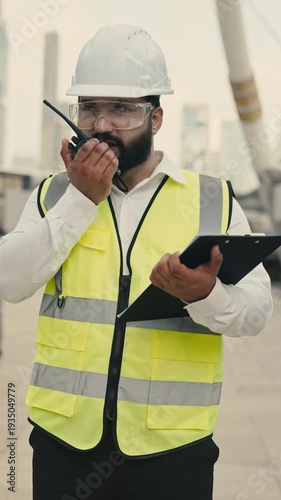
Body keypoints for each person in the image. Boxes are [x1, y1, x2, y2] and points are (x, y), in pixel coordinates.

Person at [0, 23, 273, 500]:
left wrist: (205, 294)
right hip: (64, 447)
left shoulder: (213, 199)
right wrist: (81, 200)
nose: (102, 124)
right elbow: (9, 280)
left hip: (172, 451)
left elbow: (255, 315)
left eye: (121, 109)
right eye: (90, 108)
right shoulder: (53, 194)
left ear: (156, 117)